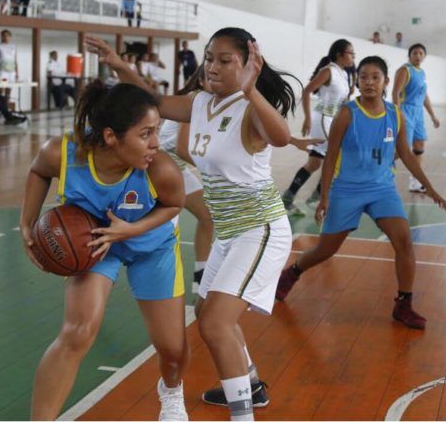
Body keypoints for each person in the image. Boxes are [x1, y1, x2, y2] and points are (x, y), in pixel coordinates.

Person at [87, 27, 297, 421]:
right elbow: (154, 101)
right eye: (209, 58)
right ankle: (248, 383)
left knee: (217, 323)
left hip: (260, 229)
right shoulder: (201, 103)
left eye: (224, 60)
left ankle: (243, 415)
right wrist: (120, 66)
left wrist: (252, 90)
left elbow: (282, 137)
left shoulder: (250, 106)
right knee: (206, 315)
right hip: (230, 233)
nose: (213, 67)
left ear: (249, 63)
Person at [20, 82, 189, 420]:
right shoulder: (63, 153)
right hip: (95, 246)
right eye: (145, 134)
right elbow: (39, 171)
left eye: (156, 131)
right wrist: (27, 223)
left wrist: (131, 229)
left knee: (172, 350)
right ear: (112, 136)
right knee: (77, 332)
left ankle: (171, 393)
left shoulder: (161, 168)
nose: (156, 142)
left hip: (151, 247)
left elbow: (174, 204)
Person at [275, 56, 446, 330]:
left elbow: (406, 154)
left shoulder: (395, 114)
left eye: (375, 77)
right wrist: (325, 196)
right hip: (347, 190)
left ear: (385, 82)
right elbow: (330, 156)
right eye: (364, 77)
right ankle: (292, 272)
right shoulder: (347, 113)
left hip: (382, 189)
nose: (369, 82)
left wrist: (430, 186)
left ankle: (404, 303)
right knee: (325, 251)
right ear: (357, 82)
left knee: (403, 240)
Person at [282, 40, 355, 215]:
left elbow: (341, 100)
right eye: (350, 53)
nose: (353, 57)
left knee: (315, 162)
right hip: (322, 118)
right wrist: (307, 117)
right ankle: (316, 197)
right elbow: (307, 91)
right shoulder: (328, 71)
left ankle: (289, 197)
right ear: (339, 54)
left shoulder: (343, 74)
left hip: (333, 118)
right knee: (337, 157)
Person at [158, 65, 214, 294]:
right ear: (200, 81)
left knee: (207, 216)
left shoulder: (213, 104)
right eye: (211, 76)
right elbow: (182, 148)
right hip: (159, 169)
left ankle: (201, 278)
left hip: (176, 168)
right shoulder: (195, 101)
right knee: (164, 232)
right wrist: (214, 169)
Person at [392, 44, 440, 193]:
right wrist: (397, 113)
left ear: (424, 56)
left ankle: (415, 182)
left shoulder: (422, 72)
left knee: (419, 146)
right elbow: (395, 92)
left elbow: (424, 95)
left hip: (418, 113)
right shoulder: (405, 70)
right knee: (402, 150)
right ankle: (377, 166)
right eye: (415, 53)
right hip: (406, 110)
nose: (418, 56)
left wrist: (433, 115)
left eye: (421, 53)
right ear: (409, 55)